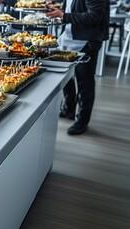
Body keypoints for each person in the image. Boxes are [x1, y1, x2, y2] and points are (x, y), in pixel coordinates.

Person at [46, 0, 109, 135]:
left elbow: (95, 16)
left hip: (86, 41)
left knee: (84, 82)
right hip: (69, 37)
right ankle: (69, 109)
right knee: (65, 75)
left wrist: (64, 16)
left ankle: (82, 121)